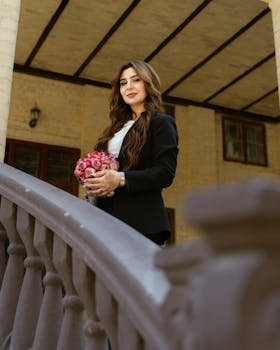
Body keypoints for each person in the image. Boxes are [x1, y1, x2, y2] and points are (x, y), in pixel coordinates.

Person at [84, 59, 178, 245]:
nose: (129, 87)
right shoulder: (115, 128)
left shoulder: (161, 123)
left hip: (141, 222)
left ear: (148, 83)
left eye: (136, 80)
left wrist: (119, 179)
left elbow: (165, 173)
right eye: (123, 83)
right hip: (105, 218)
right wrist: (97, 184)